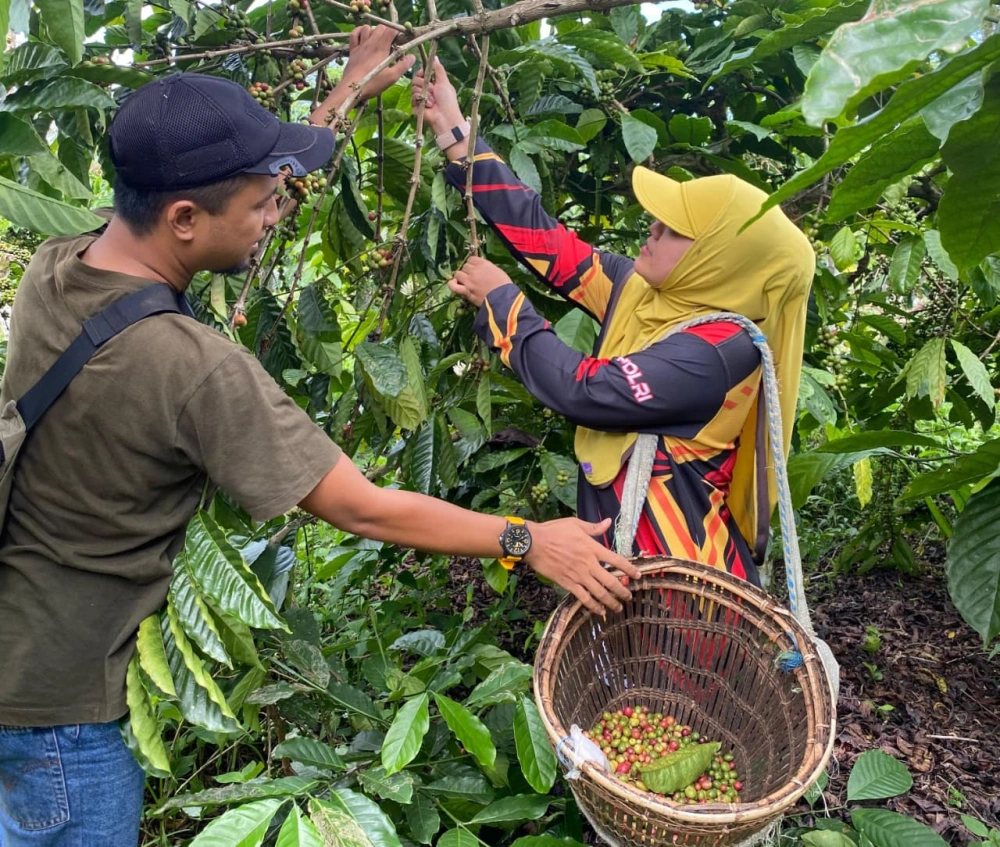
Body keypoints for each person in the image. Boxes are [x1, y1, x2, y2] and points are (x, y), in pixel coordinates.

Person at [0, 29, 640, 847]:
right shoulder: (195, 370)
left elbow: (217, 196)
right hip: (65, 717)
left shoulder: (59, 264)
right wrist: (528, 539)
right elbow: (362, 509)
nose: (277, 210)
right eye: (264, 200)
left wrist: (343, 97)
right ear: (185, 217)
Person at [413, 58, 815, 587]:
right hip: (623, 572)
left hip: (689, 590)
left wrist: (504, 302)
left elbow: (586, 391)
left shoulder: (721, 350)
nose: (652, 228)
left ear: (720, 258)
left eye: (673, 230)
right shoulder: (644, 291)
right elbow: (545, 241)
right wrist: (455, 133)